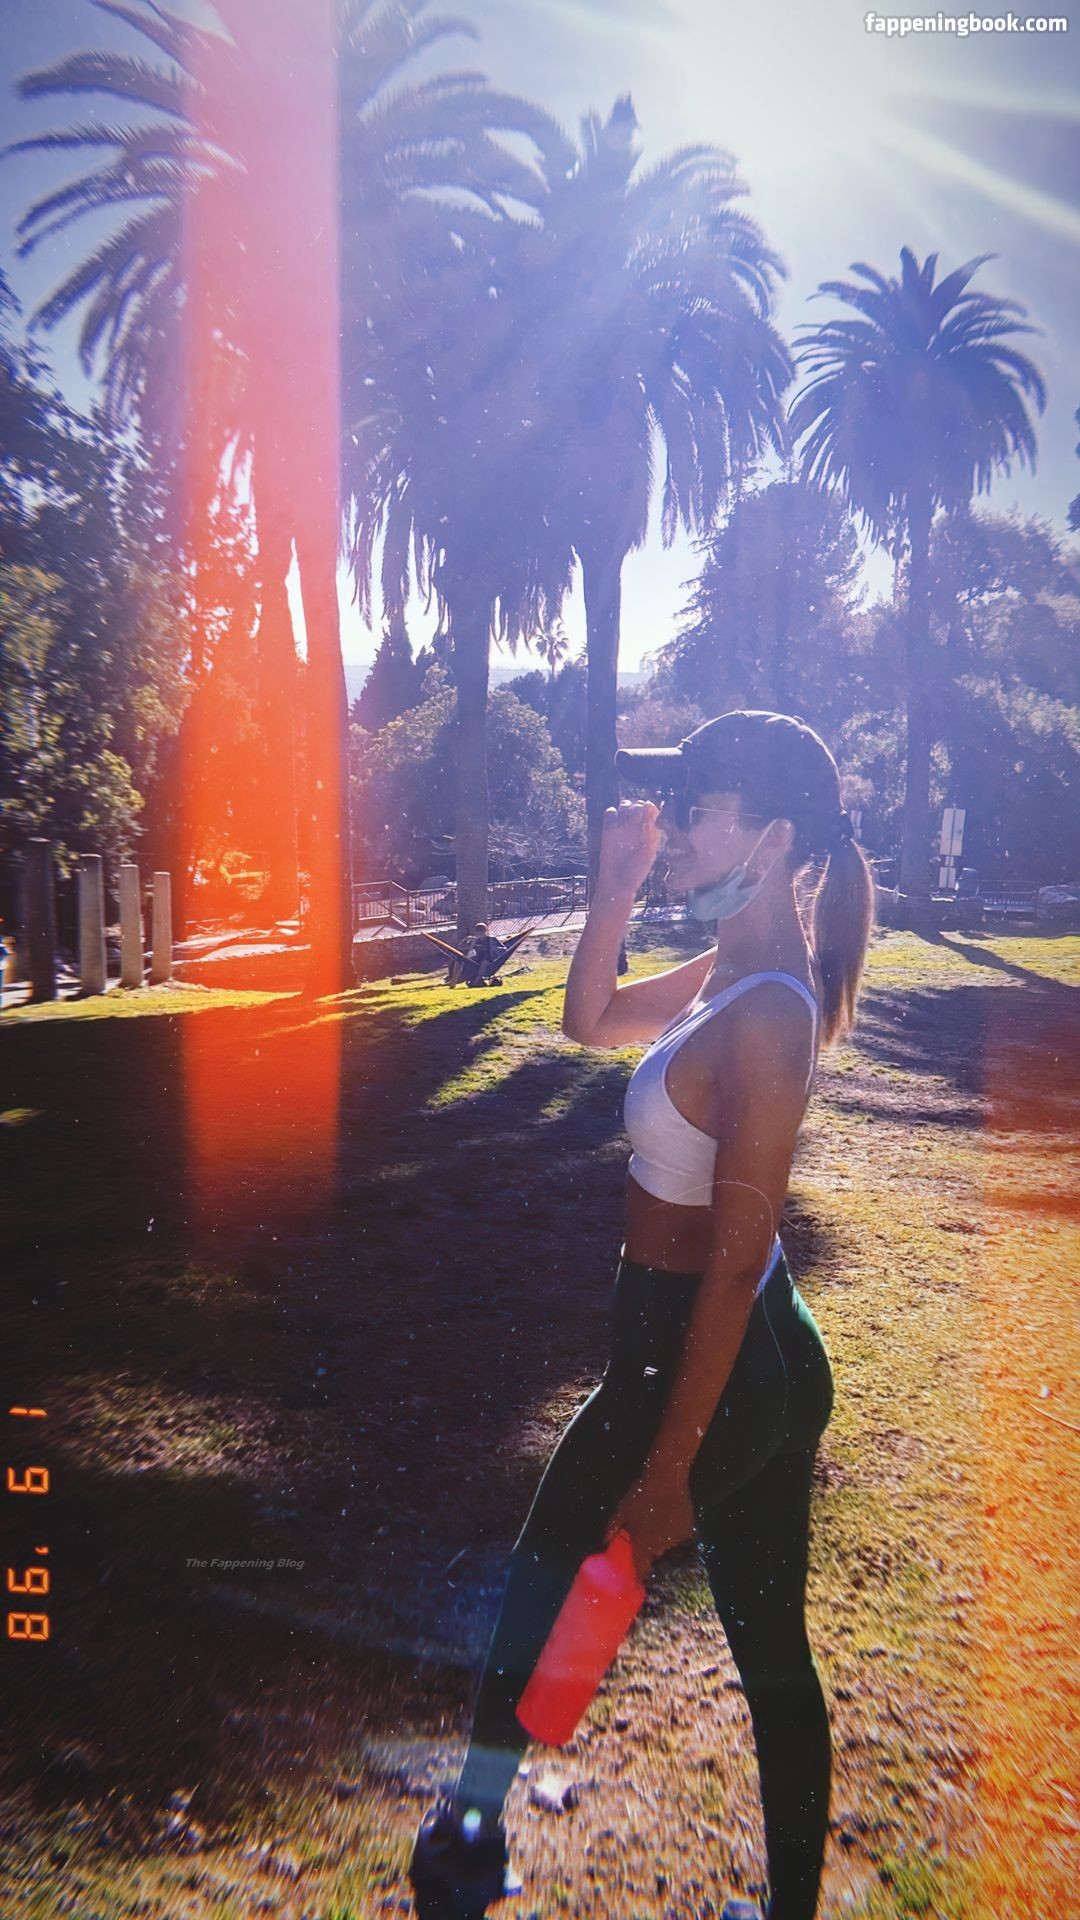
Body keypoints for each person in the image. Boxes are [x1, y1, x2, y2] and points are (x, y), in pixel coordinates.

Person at [409, 711, 875, 1920]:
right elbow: (590, 1017)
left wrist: (670, 1473)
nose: (674, 829)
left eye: (698, 808)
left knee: (548, 1575)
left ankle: (463, 1850)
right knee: (757, 1650)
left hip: (707, 1353)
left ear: (774, 841)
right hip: (730, 1350)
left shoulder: (770, 1016)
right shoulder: (726, 973)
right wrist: (613, 886)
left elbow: (735, 1262)